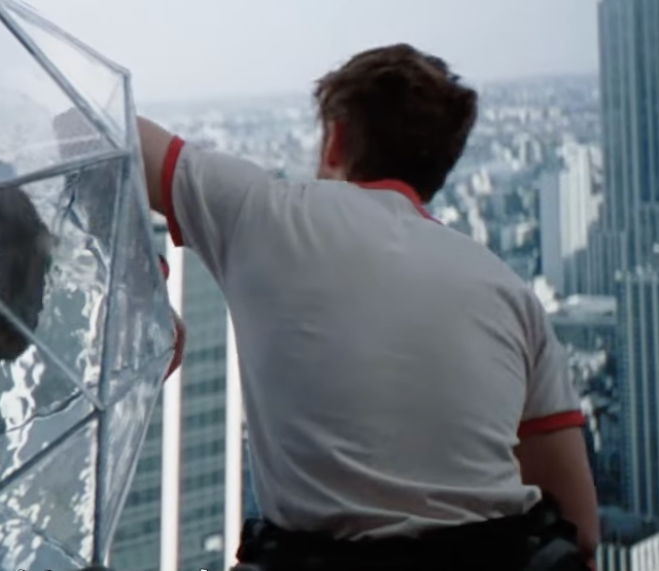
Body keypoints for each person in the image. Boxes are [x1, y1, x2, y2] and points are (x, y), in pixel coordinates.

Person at [135, 44, 598, 570]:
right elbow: (579, 528)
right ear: (438, 166)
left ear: (334, 139)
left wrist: (135, 281)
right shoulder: (513, 294)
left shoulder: (267, 214)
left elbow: (106, 132)